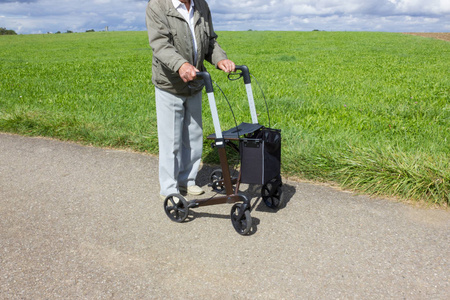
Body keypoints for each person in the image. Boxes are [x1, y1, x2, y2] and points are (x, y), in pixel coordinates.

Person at [145, 0, 235, 199]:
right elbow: (160, 44)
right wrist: (181, 65)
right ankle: (169, 189)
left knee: (194, 135)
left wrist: (220, 58)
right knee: (172, 140)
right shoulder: (157, 6)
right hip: (170, 84)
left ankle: (187, 180)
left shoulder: (201, 5)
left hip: (195, 82)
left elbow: (210, 41)